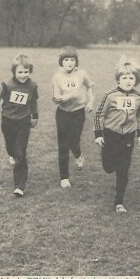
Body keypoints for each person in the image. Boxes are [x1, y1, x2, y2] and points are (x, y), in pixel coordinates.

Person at [94, 57, 140, 213]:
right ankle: (109, 160)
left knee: (124, 169)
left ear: (136, 80)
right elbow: (99, 115)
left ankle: (119, 202)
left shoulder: (138, 97)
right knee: (109, 167)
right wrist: (98, 134)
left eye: (131, 78)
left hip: (128, 136)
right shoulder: (110, 95)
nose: (128, 81)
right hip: (111, 134)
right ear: (118, 80)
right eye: (124, 78)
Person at [0, 53, 39, 197]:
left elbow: (33, 101)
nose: (23, 75)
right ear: (14, 72)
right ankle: (11, 154)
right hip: (8, 122)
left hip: (24, 122)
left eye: (26, 72)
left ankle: (19, 186)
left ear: (30, 72)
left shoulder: (32, 86)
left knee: (21, 153)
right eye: (20, 72)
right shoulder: (6, 86)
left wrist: (35, 116)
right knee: (11, 148)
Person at [52, 46, 94, 189]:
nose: (69, 63)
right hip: (63, 113)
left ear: (76, 62)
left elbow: (89, 87)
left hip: (78, 112)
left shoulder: (81, 74)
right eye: (66, 60)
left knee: (73, 141)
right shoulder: (57, 77)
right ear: (61, 62)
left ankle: (78, 154)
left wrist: (91, 101)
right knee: (63, 145)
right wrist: (62, 98)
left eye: (72, 60)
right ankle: (64, 177)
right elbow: (57, 97)